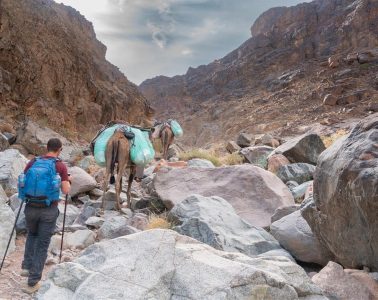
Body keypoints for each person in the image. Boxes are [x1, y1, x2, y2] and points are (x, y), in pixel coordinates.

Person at [20, 138, 71, 294]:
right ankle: (33, 282)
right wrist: (69, 179)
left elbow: (24, 181)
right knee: (42, 244)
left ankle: (26, 268)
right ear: (59, 150)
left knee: (32, 235)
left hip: (30, 207)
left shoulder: (33, 162)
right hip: (48, 210)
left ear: (47, 148)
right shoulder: (60, 165)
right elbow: (66, 190)